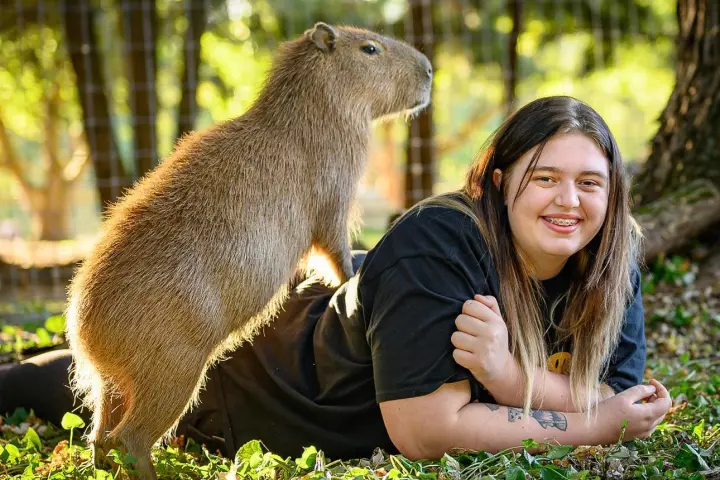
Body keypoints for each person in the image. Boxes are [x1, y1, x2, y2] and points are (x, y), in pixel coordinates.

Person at [0, 95, 670, 462]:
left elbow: (617, 394)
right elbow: (427, 432)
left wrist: (506, 376)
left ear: (613, 195)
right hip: (244, 381)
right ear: (499, 183)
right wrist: (591, 423)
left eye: (590, 183)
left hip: (329, 317)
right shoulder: (441, 242)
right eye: (544, 177)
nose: (569, 202)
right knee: (47, 382)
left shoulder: (613, 262)